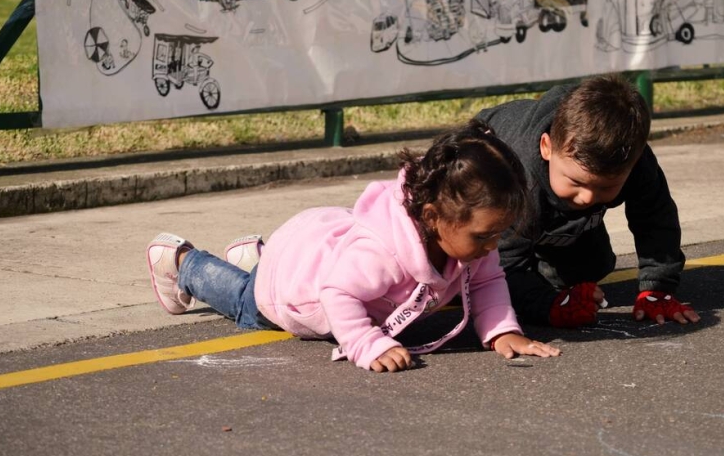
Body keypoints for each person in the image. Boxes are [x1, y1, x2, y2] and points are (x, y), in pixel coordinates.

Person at [146, 120, 561, 372]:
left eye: (497, 235)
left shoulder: (466, 245)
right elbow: (337, 291)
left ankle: (259, 255)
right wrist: (366, 343)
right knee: (245, 302)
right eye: (483, 236)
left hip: (313, 250)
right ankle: (183, 262)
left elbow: (489, 283)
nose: (491, 247)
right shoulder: (381, 253)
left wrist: (503, 331)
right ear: (433, 217)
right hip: (299, 294)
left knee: (270, 271)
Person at [475, 74, 701, 328]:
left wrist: (658, 289)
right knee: (477, 270)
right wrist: (550, 305)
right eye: (576, 182)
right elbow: (503, 263)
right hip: (481, 165)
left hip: (542, 196)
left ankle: (542, 263)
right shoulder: (519, 179)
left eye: (605, 187)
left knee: (594, 266)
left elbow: (656, 219)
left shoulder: (636, 162)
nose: (587, 198)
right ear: (546, 147)